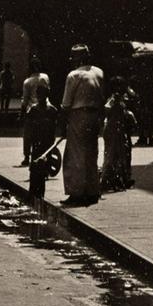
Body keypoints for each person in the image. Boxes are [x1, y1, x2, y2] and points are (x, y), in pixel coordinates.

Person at [59, 44, 105, 205]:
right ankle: (92, 190)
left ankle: (76, 192)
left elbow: (66, 103)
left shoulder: (73, 75)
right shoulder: (99, 72)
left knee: (75, 155)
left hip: (78, 115)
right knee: (91, 153)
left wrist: (63, 125)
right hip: (95, 115)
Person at [100, 76, 137, 192]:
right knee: (112, 155)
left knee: (125, 153)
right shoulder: (113, 98)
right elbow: (106, 109)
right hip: (113, 130)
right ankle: (109, 179)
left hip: (122, 130)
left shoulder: (124, 98)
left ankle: (123, 177)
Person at [25, 83, 59, 199]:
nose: (41, 97)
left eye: (43, 95)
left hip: (46, 146)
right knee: (35, 172)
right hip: (37, 145)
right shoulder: (33, 110)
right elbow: (29, 132)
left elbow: (53, 131)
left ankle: (39, 198)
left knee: (43, 173)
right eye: (40, 95)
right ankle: (34, 197)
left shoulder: (52, 110)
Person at [18, 60, 50, 166]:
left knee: (28, 135)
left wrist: (21, 114)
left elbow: (25, 99)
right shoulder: (45, 77)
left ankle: (27, 157)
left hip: (33, 110)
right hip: (46, 107)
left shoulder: (27, 82)